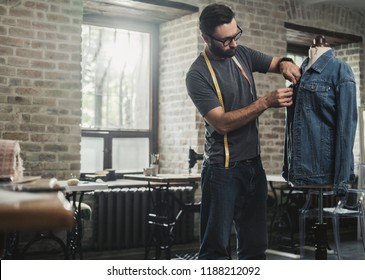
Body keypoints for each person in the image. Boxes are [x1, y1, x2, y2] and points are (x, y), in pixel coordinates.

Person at [185, 3, 301, 260]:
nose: (234, 44)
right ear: (206, 38)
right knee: (214, 252)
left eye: (236, 35)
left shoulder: (242, 54)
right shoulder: (197, 74)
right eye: (226, 40)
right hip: (222, 172)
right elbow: (222, 123)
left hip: (253, 168)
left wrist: (287, 63)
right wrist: (266, 102)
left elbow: (276, 61)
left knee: (255, 249)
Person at [282, 35, 357, 196]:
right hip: (298, 171)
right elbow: (292, 127)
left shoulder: (340, 70)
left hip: (325, 172)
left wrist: (342, 180)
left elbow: (346, 129)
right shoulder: (300, 73)